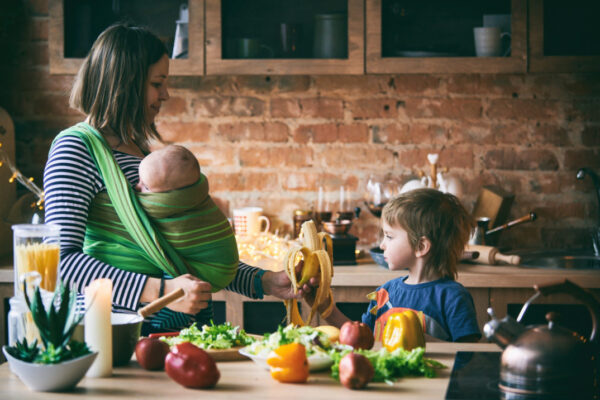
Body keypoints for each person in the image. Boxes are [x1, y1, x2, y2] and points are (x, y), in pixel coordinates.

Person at [43, 23, 313, 335]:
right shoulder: (76, 149)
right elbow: (63, 265)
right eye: (157, 83)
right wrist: (159, 291)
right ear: (125, 83)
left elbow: (181, 252)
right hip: (115, 336)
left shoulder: (144, 156)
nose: (165, 94)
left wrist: (263, 280)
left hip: (174, 337)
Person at [309, 188, 481, 342]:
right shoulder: (384, 293)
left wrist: (420, 340)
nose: (382, 244)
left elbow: (467, 355)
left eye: (389, 237)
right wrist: (325, 307)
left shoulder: (454, 298)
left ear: (421, 246)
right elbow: (361, 339)